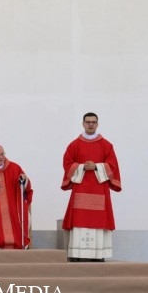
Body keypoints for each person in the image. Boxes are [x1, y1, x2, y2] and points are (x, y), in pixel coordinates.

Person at [61, 112, 122, 262]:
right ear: (83, 124)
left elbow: (113, 166)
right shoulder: (74, 145)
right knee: (79, 220)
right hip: (81, 189)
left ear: (97, 124)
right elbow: (67, 163)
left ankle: (98, 255)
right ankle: (77, 253)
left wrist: (96, 167)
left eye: (93, 122)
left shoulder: (106, 145)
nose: (90, 124)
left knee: (98, 221)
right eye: (88, 122)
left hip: (99, 189)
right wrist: (82, 167)